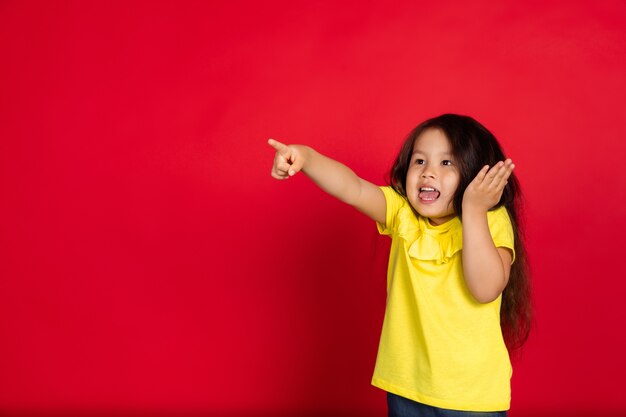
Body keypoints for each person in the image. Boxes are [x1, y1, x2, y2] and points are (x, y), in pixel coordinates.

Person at [268, 114, 532, 417]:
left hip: (469, 396)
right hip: (406, 386)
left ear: (477, 174)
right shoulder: (402, 213)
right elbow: (351, 187)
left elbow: (485, 288)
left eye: (446, 163)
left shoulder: (489, 219)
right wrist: (307, 157)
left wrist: (473, 209)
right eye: (419, 161)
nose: (428, 173)